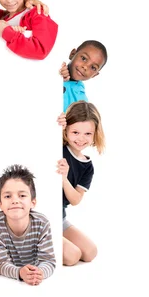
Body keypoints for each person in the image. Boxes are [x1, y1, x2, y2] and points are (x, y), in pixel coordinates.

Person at [0, 164, 56, 285]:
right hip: (13, 274)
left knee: (72, 255)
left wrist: (40, 272)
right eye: (8, 196)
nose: (15, 200)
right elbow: (1, 264)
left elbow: (49, 261)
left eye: (22, 195)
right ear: (0, 204)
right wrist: (20, 272)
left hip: (34, 268)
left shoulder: (42, 223)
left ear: (33, 202)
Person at [57, 100, 105, 266]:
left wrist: (63, 178)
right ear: (66, 130)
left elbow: (75, 199)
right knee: (72, 256)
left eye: (87, 134)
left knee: (90, 252)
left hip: (60, 218)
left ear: (95, 134)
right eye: (75, 132)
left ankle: (57, 239)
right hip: (45, 216)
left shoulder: (87, 166)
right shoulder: (58, 147)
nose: (81, 139)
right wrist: (57, 125)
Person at [60, 40, 108, 112]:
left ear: (95, 75)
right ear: (72, 54)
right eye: (83, 58)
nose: (85, 67)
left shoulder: (81, 100)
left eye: (93, 67)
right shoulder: (56, 66)